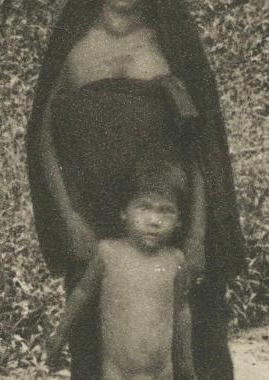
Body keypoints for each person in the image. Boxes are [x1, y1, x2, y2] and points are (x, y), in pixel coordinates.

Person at [25, 0, 244, 380]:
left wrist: (199, 236)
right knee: (99, 349)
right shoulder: (72, 45)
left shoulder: (173, 45)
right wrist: (69, 222)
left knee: (188, 346)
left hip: (166, 219)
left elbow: (199, 148)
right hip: (95, 222)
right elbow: (42, 138)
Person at [49, 163, 196, 380]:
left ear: (179, 221)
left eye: (166, 210)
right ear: (124, 212)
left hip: (162, 372)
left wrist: (185, 364)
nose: (155, 221)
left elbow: (181, 311)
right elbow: (81, 294)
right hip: (117, 373)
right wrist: (60, 334)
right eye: (144, 208)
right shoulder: (108, 253)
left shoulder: (175, 260)